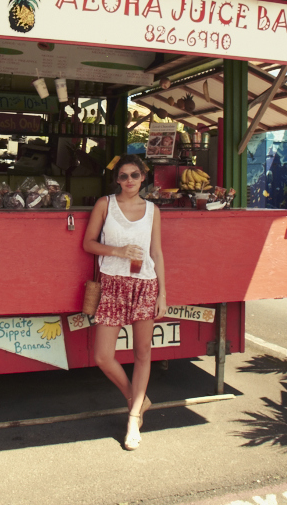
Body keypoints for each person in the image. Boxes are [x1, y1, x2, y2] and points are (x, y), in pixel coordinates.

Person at [82, 154, 167, 450]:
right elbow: (88, 243)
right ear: (116, 179)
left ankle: (133, 419)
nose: (128, 181)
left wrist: (163, 294)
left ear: (144, 177)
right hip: (113, 284)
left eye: (134, 175)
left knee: (143, 353)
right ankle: (137, 399)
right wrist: (117, 251)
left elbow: (156, 252)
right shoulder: (105, 205)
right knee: (103, 356)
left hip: (145, 284)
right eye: (123, 176)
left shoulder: (153, 210)